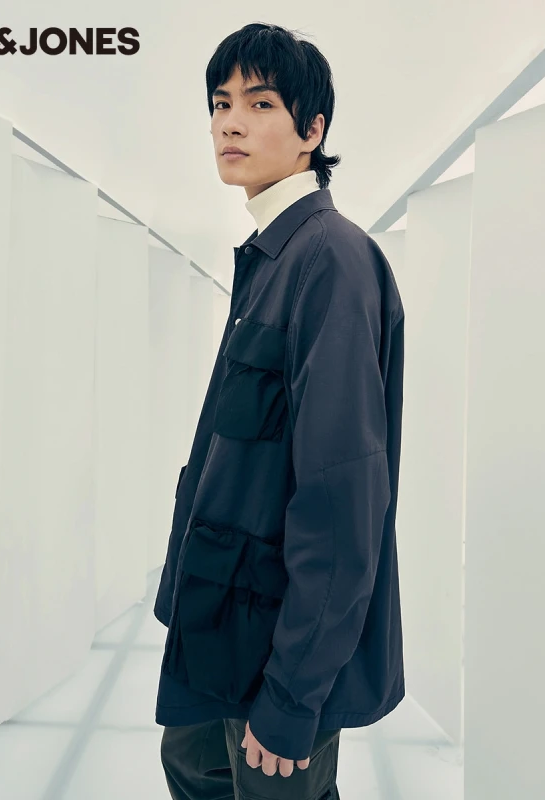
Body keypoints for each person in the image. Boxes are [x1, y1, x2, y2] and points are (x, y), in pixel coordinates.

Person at [155, 22, 406, 800]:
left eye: (260, 103)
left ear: (312, 130)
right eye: (220, 103)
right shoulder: (272, 254)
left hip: (275, 645)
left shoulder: (330, 261)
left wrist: (294, 696)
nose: (229, 122)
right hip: (221, 622)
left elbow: (342, 500)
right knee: (191, 769)